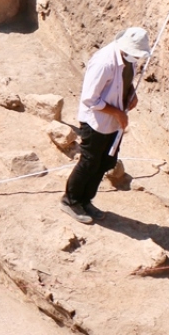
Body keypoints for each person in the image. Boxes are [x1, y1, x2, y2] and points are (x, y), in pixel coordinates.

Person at [60, 27, 151, 225]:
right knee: (89, 162)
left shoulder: (129, 59)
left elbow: (124, 83)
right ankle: (70, 201)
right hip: (96, 122)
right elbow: (89, 99)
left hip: (113, 122)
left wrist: (131, 94)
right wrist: (117, 112)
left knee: (106, 163)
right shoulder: (104, 63)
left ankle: (86, 200)